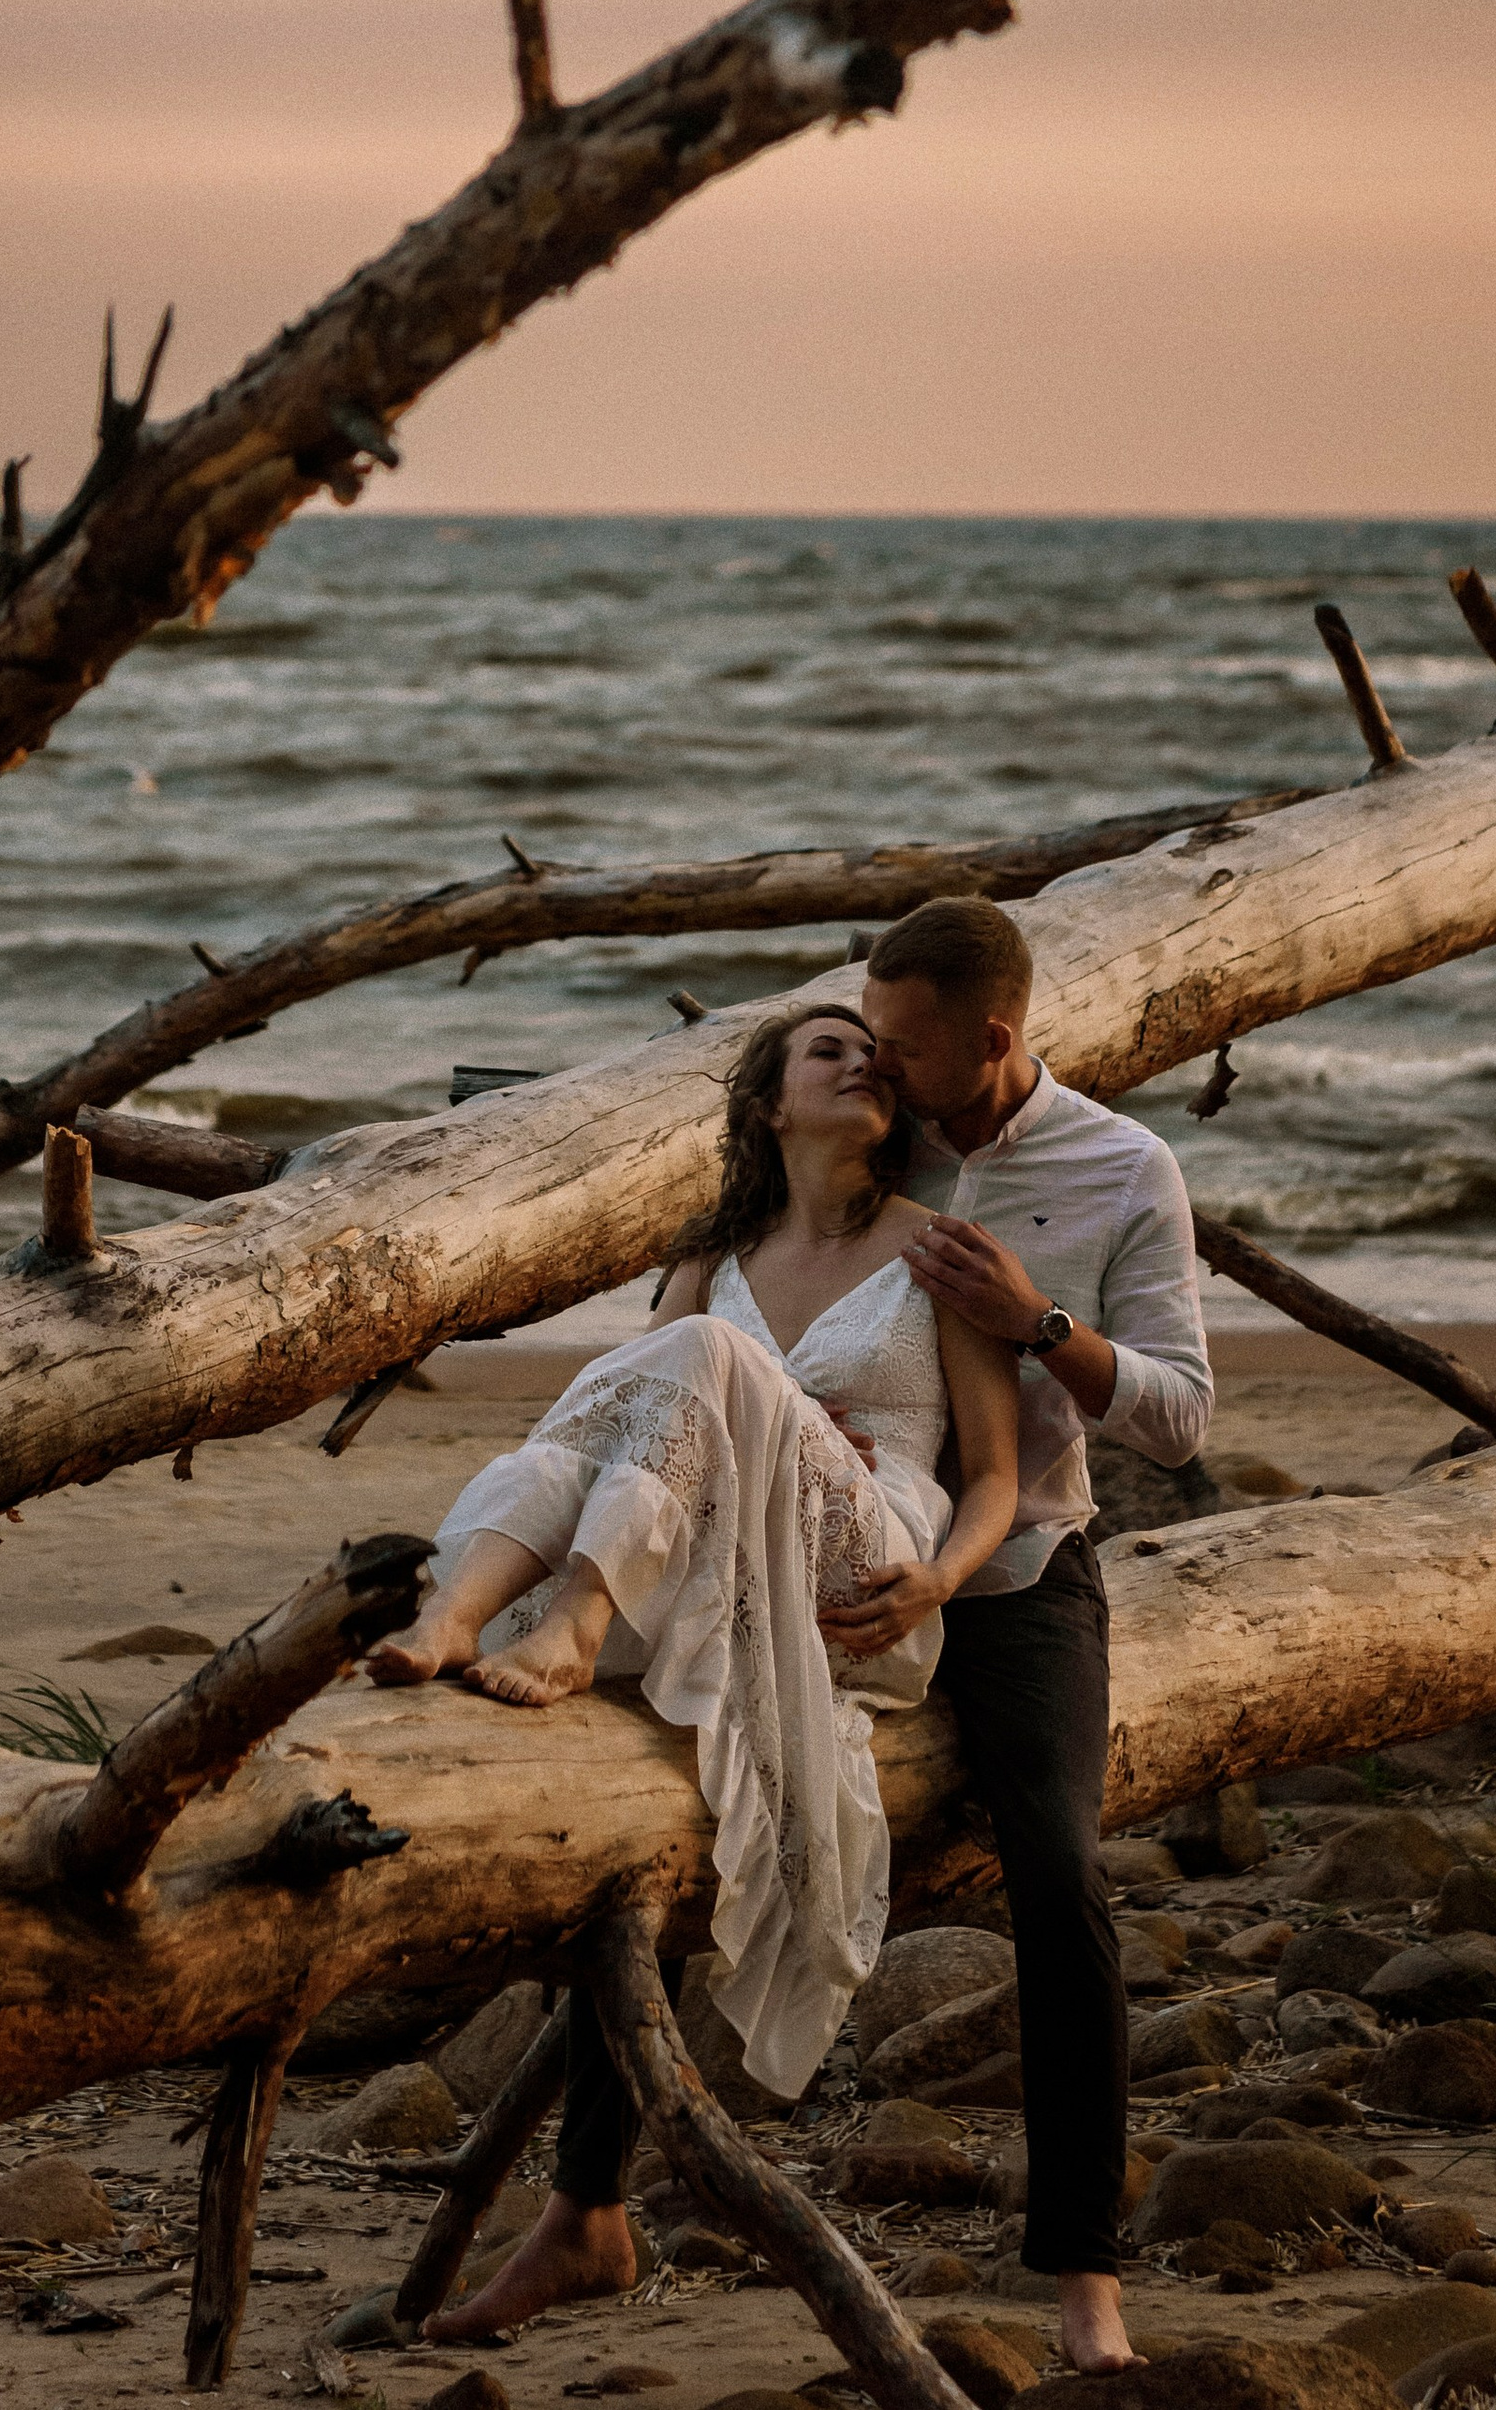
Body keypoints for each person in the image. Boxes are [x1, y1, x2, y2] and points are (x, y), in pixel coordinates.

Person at [369, 1002, 1023, 2346]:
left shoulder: (939, 1251)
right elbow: (616, 1419)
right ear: (770, 1104)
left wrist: (944, 1577)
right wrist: (744, 1422)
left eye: (872, 1054)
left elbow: (1001, 1475)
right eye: (826, 1050)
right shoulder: (711, 1255)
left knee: (706, 1357)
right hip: (719, 1560)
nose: (861, 1064)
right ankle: (454, 1617)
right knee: (645, 1377)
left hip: (863, 1570)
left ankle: (561, 1619)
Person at [860, 892, 1213, 2384]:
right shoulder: (858, 1146)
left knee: (1063, 1881)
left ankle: (1084, 2275)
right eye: (866, 1037)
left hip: (1020, 1580)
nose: (879, 1067)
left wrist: (1038, 1319)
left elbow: (1186, 1417)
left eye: (908, 1046)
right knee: (674, 1842)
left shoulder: (1128, 1168)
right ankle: (589, 2207)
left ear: (995, 1039)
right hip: (840, 1571)